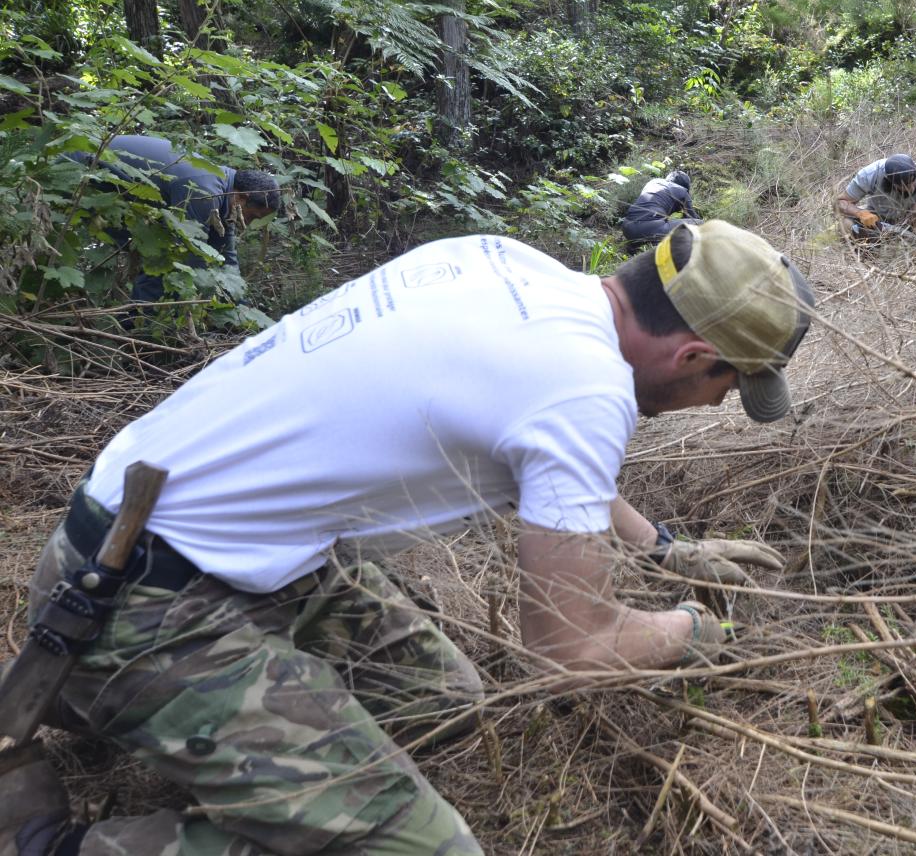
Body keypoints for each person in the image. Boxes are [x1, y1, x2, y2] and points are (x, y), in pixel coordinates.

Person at [2, 220, 814, 855]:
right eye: (729, 385)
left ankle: (106, 700)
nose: (716, 405)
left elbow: (555, 463)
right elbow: (568, 652)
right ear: (694, 354)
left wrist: (664, 547)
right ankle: (54, 834)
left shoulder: (508, 264)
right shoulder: (585, 392)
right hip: (139, 596)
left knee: (442, 706)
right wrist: (692, 630)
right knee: (419, 848)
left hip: (165, 530)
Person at [63, 134, 282, 303]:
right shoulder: (206, 191)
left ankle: (139, 318)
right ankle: (137, 329)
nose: (249, 223)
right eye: (253, 216)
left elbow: (226, 255)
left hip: (103, 180)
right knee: (164, 258)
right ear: (241, 198)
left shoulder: (223, 188)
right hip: (76, 169)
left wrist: (240, 305)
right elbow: (189, 257)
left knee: (158, 252)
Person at [622, 169, 701, 253]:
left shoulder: (653, 182)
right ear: (686, 186)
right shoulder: (682, 191)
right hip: (649, 229)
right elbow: (692, 217)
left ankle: (636, 246)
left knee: (659, 224)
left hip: (627, 228)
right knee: (699, 223)